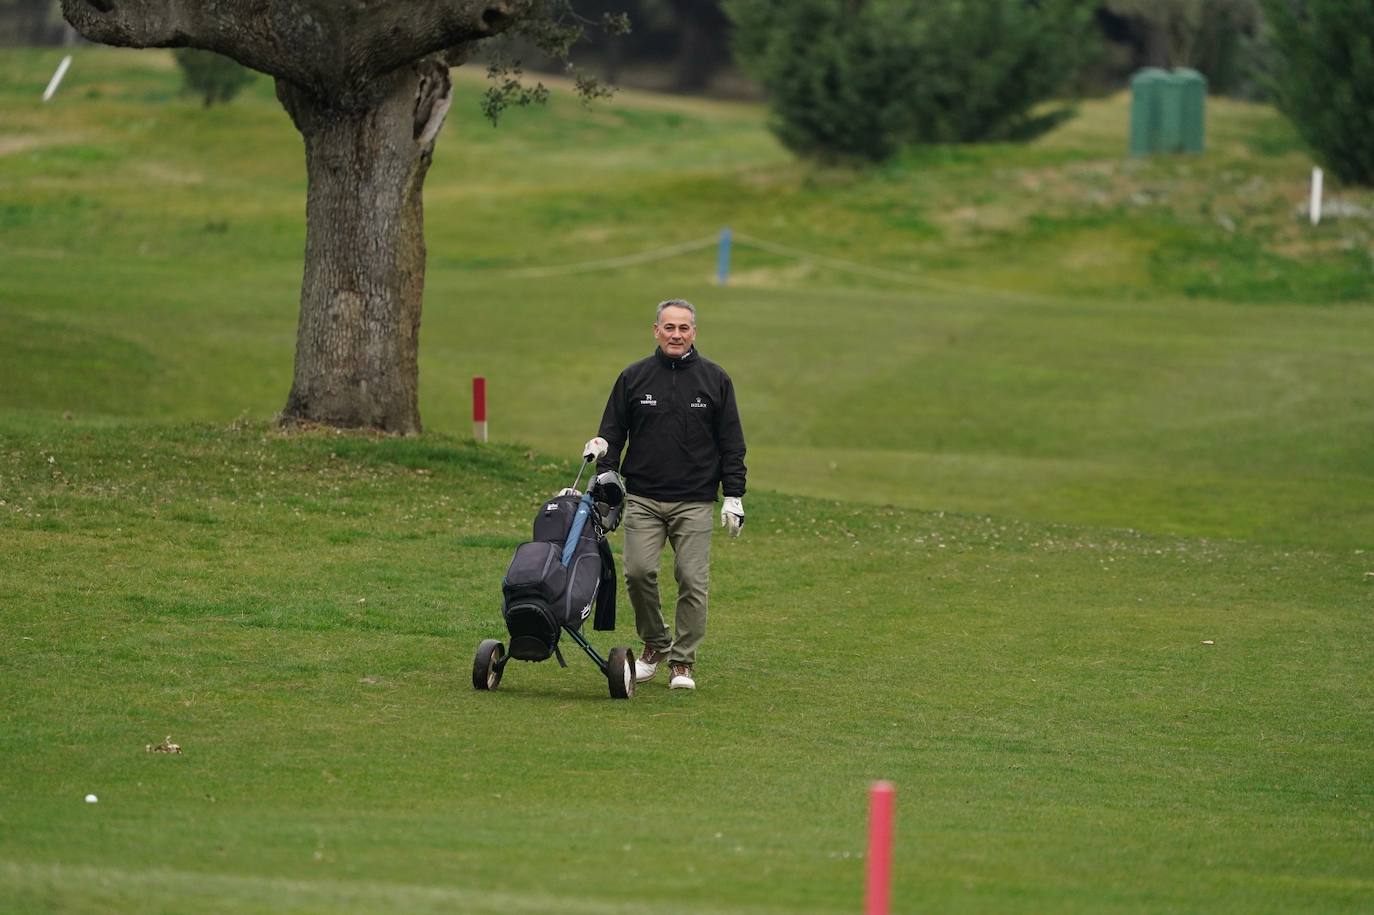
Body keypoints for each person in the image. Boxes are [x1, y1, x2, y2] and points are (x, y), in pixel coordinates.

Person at [590, 298, 747, 691]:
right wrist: (606, 473)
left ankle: (682, 663)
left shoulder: (715, 379)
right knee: (638, 572)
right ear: (656, 330)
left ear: (694, 332)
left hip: (694, 499)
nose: (676, 335)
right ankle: (656, 646)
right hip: (643, 496)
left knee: (692, 580)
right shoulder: (634, 377)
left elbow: (732, 443)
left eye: (684, 328)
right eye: (669, 328)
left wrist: (734, 495)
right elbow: (611, 433)